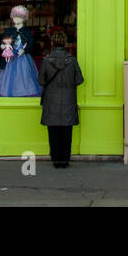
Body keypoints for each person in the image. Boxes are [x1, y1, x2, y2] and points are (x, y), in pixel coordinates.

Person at [37, 30, 84, 169]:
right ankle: (65, 159)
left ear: (52, 43)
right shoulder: (72, 60)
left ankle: (56, 159)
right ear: (65, 43)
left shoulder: (46, 61)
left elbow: (40, 80)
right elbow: (79, 80)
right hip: (68, 98)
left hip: (51, 99)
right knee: (66, 131)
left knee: (53, 131)